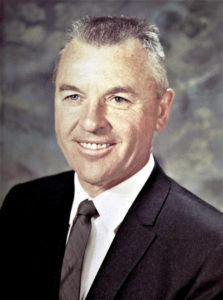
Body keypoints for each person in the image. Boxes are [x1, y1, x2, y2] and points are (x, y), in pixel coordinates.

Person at [0, 16, 223, 300]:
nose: (91, 122)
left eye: (118, 99)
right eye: (73, 97)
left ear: (162, 110)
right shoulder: (24, 205)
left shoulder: (210, 249)